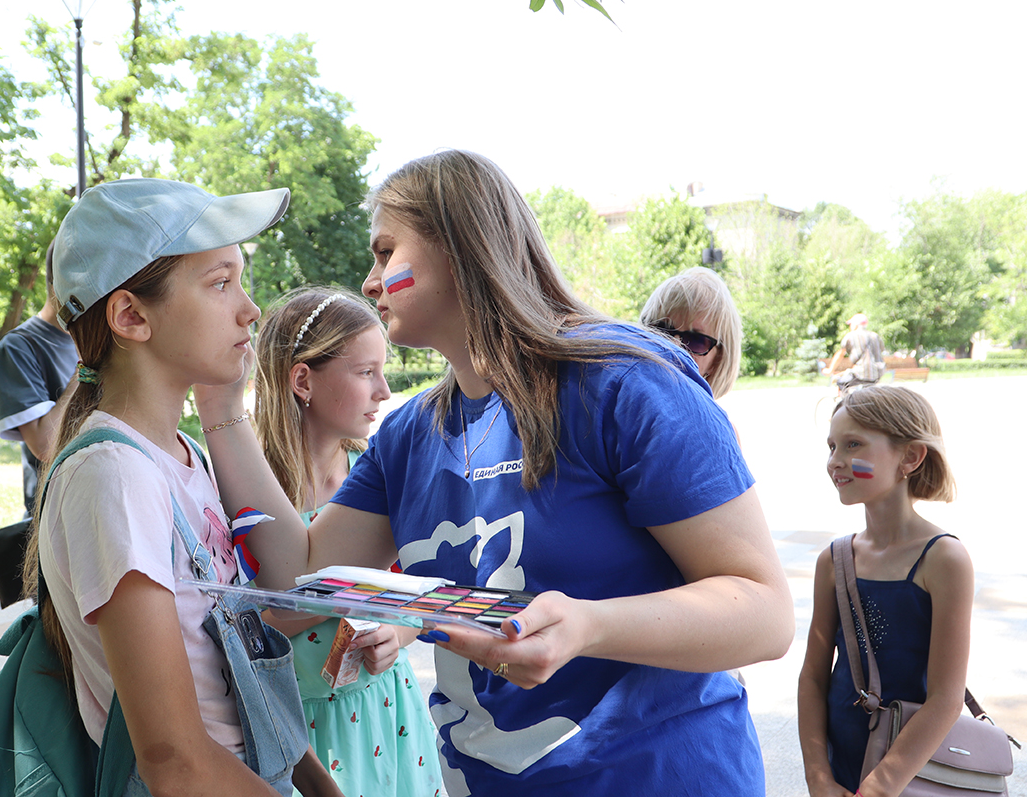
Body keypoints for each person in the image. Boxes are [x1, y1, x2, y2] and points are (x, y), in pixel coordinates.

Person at [194, 149, 795, 796]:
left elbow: (764, 614)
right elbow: (297, 574)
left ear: (457, 247)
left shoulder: (629, 383)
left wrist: (590, 627)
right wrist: (221, 407)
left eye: (386, 251)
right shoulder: (408, 435)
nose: (370, 282)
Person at [22, 178, 341, 797]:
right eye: (220, 283)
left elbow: (241, 655)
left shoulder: (182, 456)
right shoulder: (114, 474)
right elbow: (173, 758)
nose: (251, 309)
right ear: (131, 316)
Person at [252, 286, 443, 797]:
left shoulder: (377, 478)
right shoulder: (247, 494)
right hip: (296, 733)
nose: (384, 390)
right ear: (302, 380)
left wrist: (396, 635)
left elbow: (418, 595)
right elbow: (229, 623)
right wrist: (331, 596)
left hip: (387, 711)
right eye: (366, 372)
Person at [798, 385, 971, 797]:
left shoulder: (944, 559)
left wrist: (882, 785)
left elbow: (946, 699)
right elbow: (813, 679)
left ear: (910, 457)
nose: (835, 462)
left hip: (914, 775)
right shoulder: (835, 561)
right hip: (841, 770)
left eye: (853, 445)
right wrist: (818, 777)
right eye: (832, 446)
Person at [0, 240, 79, 516]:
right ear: (57, 284)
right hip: (53, 518)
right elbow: (43, 445)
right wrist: (86, 366)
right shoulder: (18, 347)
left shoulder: (114, 337)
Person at [639, 265, 742, 399]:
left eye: (695, 340)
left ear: (717, 360)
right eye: (661, 330)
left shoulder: (709, 420)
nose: (674, 347)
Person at [826, 313, 885, 390]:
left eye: (851, 324)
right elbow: (881, 350)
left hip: (860, 373)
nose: (850, 326)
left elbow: (840, 354)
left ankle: (846, 401)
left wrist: (830, 370)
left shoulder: (851, 336)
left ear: (856, 325)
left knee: (840, 382)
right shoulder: (875, 336)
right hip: (877, 373)